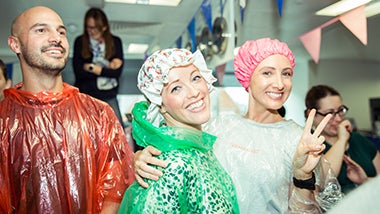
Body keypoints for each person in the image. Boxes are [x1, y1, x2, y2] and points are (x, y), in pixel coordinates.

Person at [132, 38, 341, 213]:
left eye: (286, 73)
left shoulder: (300, 140)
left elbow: (320, 205)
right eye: (267, 73)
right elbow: (178, 141)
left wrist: (302, 177)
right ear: (247, 77)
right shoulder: (218, 126)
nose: (279, 83)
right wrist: (141, 157)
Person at [0, 6, 135, 213]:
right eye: (41, 30)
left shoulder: (100, 115)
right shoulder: (4, 121)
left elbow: (115, 189)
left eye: (61, 31)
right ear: (15, 44)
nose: (56, 38)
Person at [118, 48, 239, 213]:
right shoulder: (170, 166)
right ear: (160, 105)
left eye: (196, 78)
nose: (194, 92)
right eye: (176, 88)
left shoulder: (200, 151)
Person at [305, 84, 380, 194]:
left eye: (341, 110)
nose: (338, 118)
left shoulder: (359, 140)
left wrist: (365, 180)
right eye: (330, 113)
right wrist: (342, 140)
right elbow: (323, 180)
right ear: (311, 114)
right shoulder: (307, 144)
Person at [73, 7, 125, 127]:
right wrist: (106, 69)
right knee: (85, 130)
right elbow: (79, 72)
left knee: (117, 129)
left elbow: (116, 73)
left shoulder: (115, 42)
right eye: (89, 27)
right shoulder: (80, 42)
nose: (92, 31)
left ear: (104, 27)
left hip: (109, 95)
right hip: (85, 96)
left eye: (96, 28)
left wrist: (92, 68)